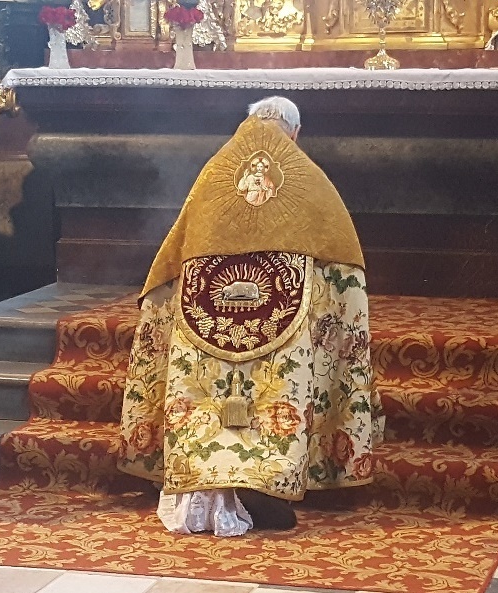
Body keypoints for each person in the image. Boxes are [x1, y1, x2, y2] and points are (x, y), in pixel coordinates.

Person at [117, 96, 384, 536]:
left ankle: (204, 484)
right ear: (295, 133)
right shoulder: (312, 182)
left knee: (205, 395)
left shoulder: (213, 176)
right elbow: (342, 274)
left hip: (206, 314)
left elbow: (170, 260)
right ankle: (264, 488)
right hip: (283, 318)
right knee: (279, 391)